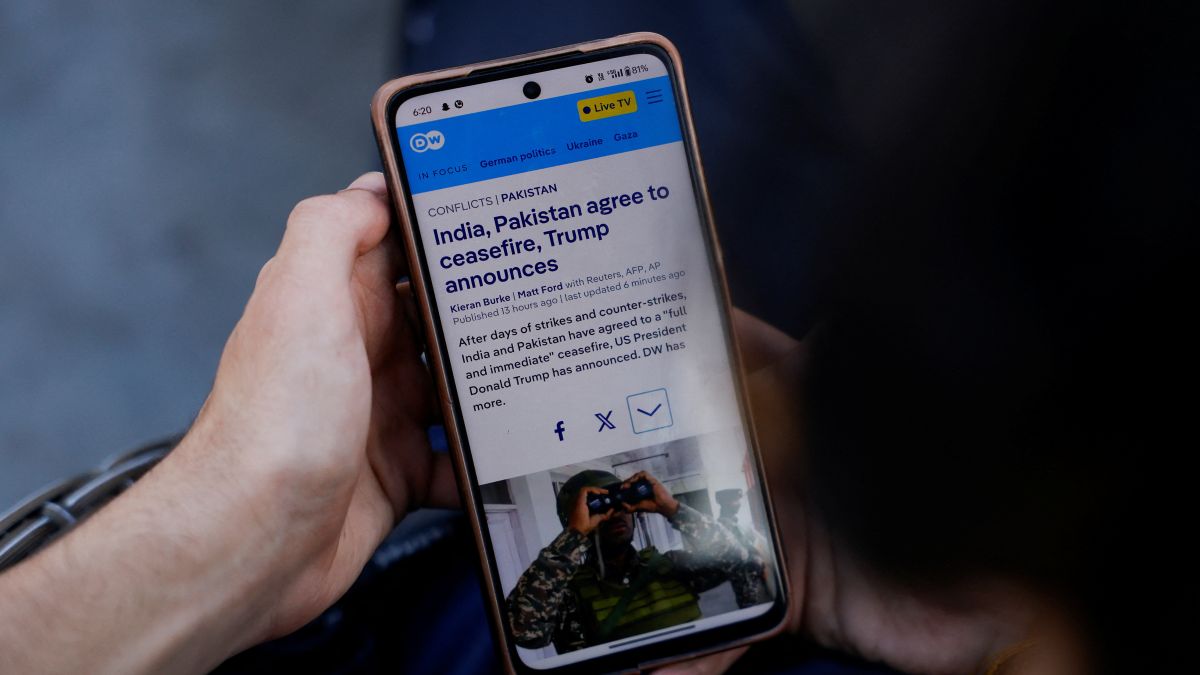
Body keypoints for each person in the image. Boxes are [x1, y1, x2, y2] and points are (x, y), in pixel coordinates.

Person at [506, 469, 767, 653]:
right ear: (576, 520)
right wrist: (573, 537)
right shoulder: (569, 596)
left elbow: (742, 560)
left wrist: (672, 509)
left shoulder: (670, 566)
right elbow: (523, 631)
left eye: (620, 502)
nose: (616, 513)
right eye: (599, 508)